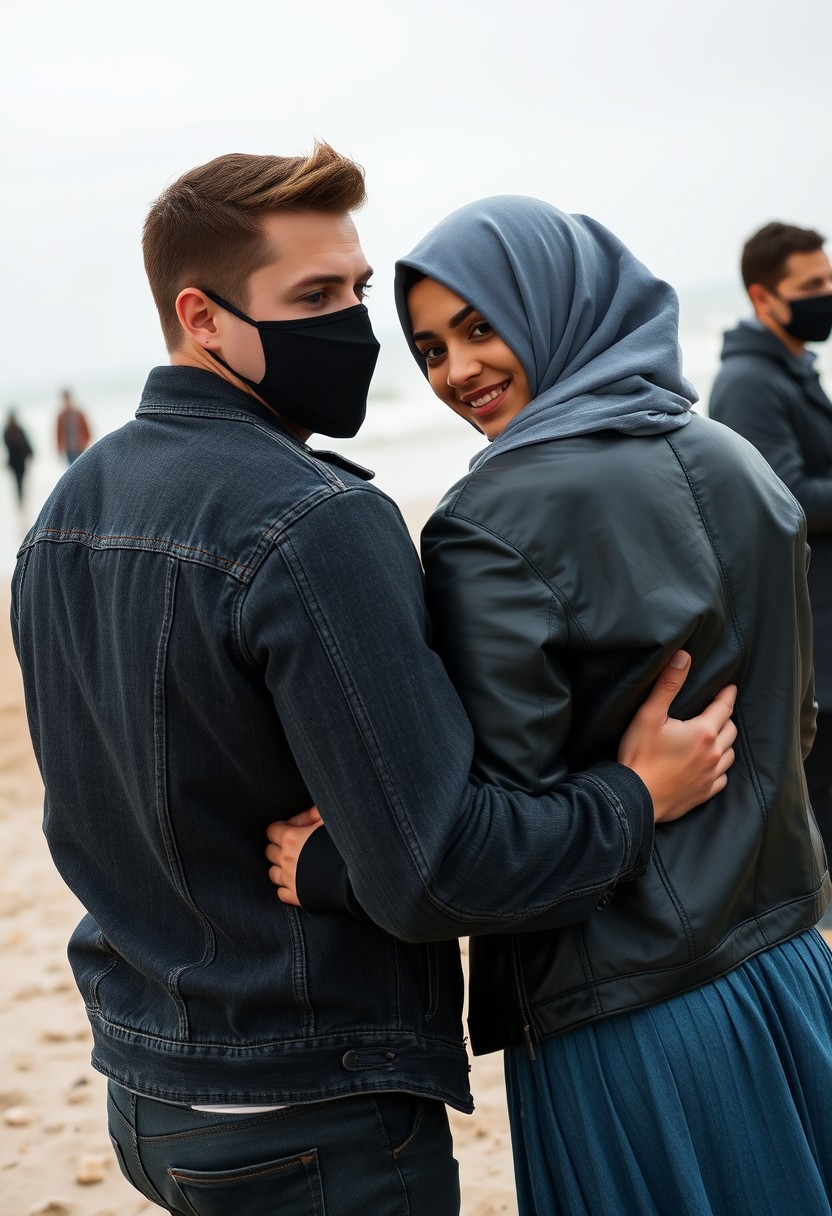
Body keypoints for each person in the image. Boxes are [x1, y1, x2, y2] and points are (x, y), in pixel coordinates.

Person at [11, 145, 734, 1216]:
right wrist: (636, 800)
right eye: (312, 296)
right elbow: (438, 869)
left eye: (355, 288)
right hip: (313, 1111)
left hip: (150, 1090)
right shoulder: (315, 520)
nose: (353, 322)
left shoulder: (64, 512)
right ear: (201, 316)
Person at [270, 196, 832, 1215]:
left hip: (631, 1020)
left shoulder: (490, 522)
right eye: (431, 347)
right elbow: (791, 727)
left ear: (554, 306)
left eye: (481, 327)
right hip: (790, 969)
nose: (456, 373)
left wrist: (337, 867)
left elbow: (489, 840)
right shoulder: (735, 461)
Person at [709, 222, 832, 880]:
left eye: (830, 279)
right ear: (764, 298)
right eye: (811, 286)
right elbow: (786, 501)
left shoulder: (789, 369)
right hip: (813, 640)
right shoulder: (750, 383)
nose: (827, 295)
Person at [4, 407, 33, 507]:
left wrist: (31, 452)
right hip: (15, 462)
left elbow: (26, 442)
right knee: (18, 481)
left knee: (20, 480)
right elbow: (8, 445)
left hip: (20, 461)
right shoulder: (7, 431)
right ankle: (20, 499)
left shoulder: (18, 429)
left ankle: (21, 499)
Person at [56, 387, 91, 463]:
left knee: (82, 468)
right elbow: (58, 434)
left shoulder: (79, 414)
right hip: (68, 450)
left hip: (80, 449)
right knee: (71, 470)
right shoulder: (61, 416)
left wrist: (84, 444)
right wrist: (59, 449)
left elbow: (88, 431)